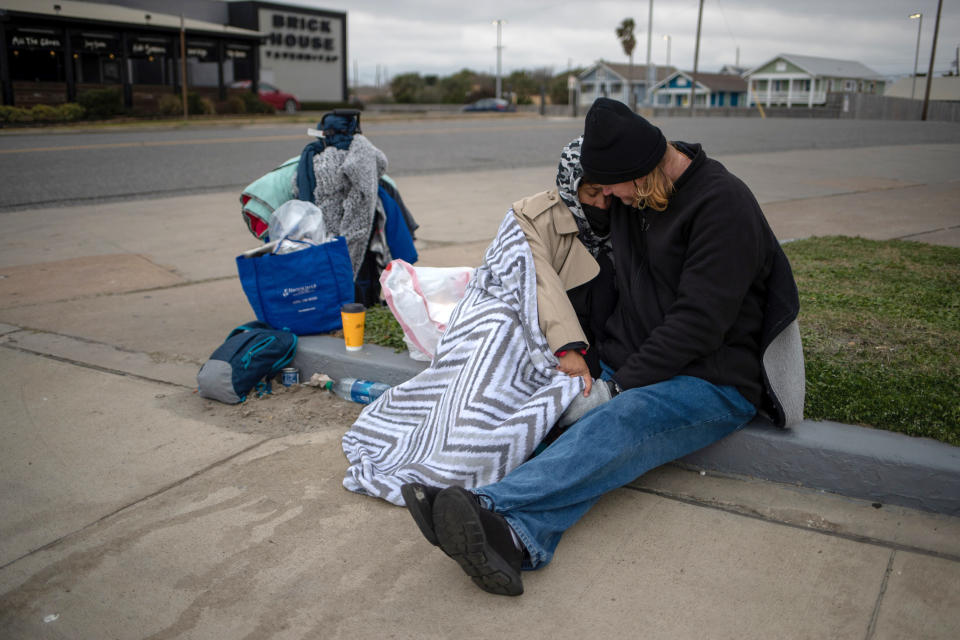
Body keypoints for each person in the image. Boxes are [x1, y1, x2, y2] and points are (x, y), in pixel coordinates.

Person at [401, 97, 802, 596]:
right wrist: (589, 365)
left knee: (620, 418)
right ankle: (515, 539)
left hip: (711, 378)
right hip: (634, 359)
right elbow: (568, 242)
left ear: (641, 171)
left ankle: (490, 507)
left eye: (610, 185)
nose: (604, 197)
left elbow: (699, 324)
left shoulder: (723, 205)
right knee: (543, 403)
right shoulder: (637, 199)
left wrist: (617, 388)